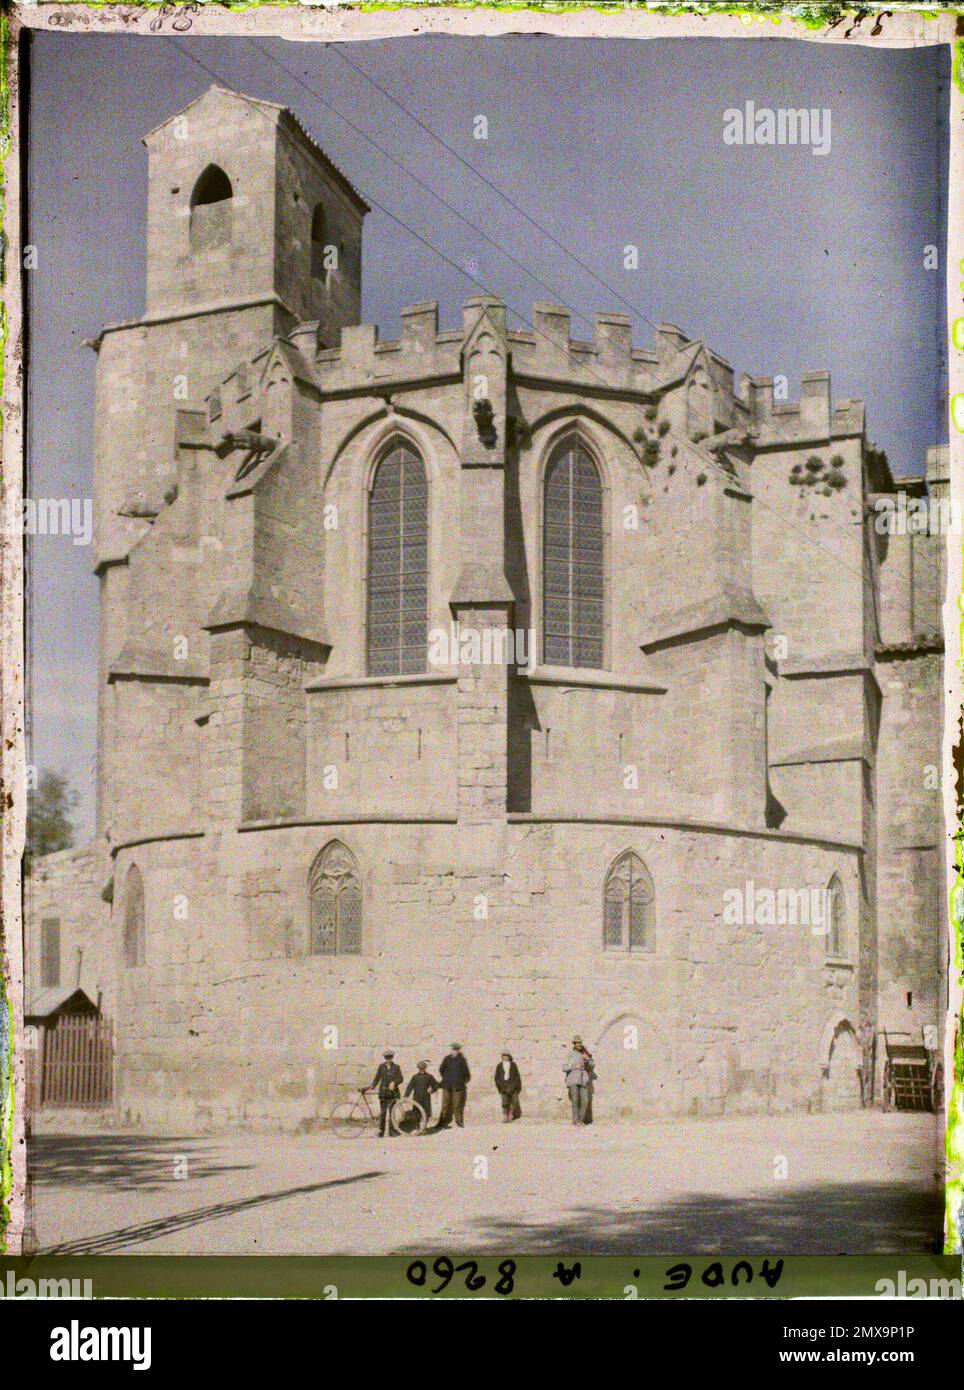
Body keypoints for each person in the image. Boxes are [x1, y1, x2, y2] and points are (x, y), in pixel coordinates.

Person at [366, 1050, 403, 1137]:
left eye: (390, 1058)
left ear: (392, 1058)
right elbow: (377, 1078)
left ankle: (391, 1131)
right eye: (386, 1058)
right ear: (384, 1058)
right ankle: (381, 1131)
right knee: (383, 1113)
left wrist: (395, 1082)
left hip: (393, 1093)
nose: (388, 1060)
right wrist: (372, 1086)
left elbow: (400, 1078)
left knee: (392, 1113)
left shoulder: (396, 1067)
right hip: (383, 1093)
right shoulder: (381, 1067)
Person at [436, 1043, 471, 1128]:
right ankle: (441, 1122)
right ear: (451, 1050)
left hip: (457, 1086)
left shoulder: (462, 1060)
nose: (455, 1051)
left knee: (457, 1104)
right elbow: (441, 1069)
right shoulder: (447, 1059)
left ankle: (459, 1121)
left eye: (456, 1050)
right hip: (447, 1085)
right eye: (453, 1050)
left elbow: (466, 1073)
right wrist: (446, 1078)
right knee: (445, 1104)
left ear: (458, 1051)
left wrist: (461, 1082)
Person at [563, 1035, 594, 1126]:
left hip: (583, 1079)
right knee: (575, 1100)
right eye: (577, 1043)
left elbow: (592, 1066)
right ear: (574, 1044)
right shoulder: (571, 1055)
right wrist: (575, 1066)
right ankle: (575, 1121)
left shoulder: (584, 1054)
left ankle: (581, 1120)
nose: (579, 1044)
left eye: (580, 1042)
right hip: (573, 1079)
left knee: (585, 1100)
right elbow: (564, 1067)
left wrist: (588, 1060)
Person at [404, 1060, 439, 1131]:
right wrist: (406, 1096)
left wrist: (432, 1090)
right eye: (421, 1068)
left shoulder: (429, 1077)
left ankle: (424, 1128)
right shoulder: (415, 1077)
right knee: (417, 1114)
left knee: (426, 1113)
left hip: (426, 1098)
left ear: (425, 1068)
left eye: (423, 1068)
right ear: (419, 1068)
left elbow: (436, 1085)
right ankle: (417, 1128)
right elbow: (410, 1086)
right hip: (417, 1098)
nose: (422, 1069)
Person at [493, 1052, 522, 1122]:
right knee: (505, 1102)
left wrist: (515, 1085)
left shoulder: (513, 1065)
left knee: (514, 1101)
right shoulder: (499, 1065)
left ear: (509, 1057)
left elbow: (517, 1076)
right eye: (504, 1056)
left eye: (507, 1056)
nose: (505, 1057)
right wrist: (500, 1085)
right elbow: (496, 1077)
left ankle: (511, 1115)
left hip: (512, 1086)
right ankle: (505, 1116)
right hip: (503, 1086)